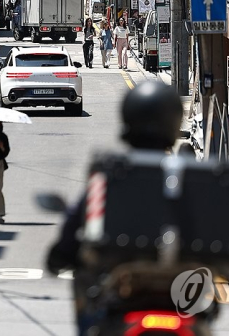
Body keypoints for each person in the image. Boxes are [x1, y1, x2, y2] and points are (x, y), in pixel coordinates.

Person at [46, 81, 185, 334]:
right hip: (181, 291)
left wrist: (61, 254)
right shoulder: (190, 177)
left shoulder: (111, 174)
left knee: (89, 300)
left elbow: (74, 223)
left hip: (122, 290)